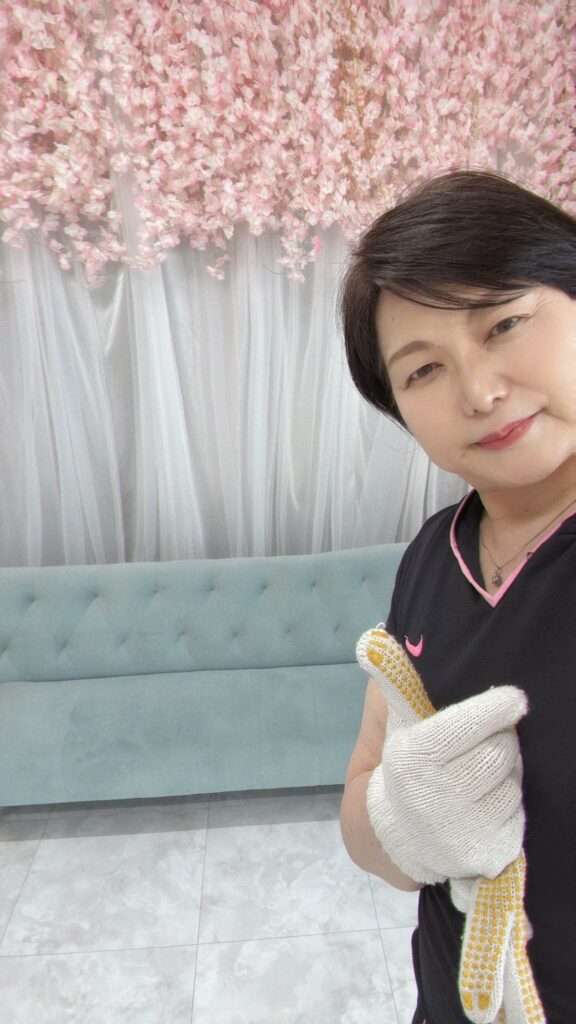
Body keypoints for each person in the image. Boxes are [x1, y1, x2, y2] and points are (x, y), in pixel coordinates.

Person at [338, 170, 576, 1024]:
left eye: (504, 322)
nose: (479, 393)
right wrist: (404, 821)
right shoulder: (430, 560)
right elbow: (361, 813)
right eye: (425, 370)